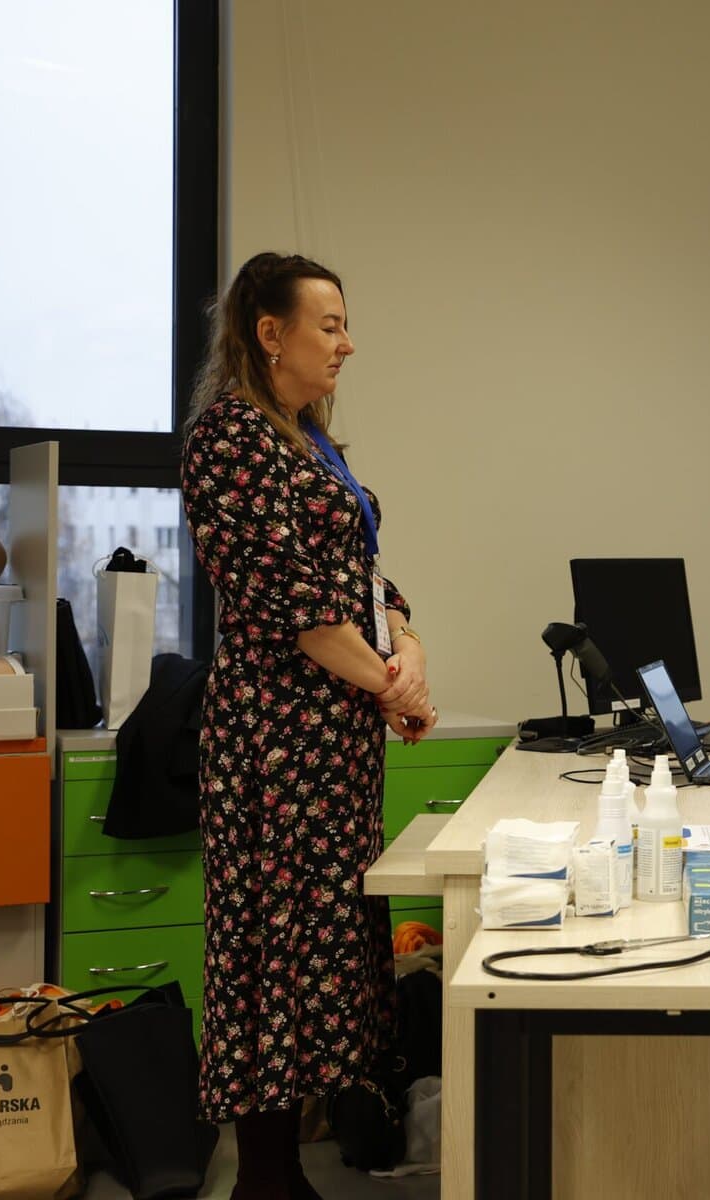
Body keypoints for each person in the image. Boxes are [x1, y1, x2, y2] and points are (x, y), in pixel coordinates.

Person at [181, 252, 438, 1198]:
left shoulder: (308, 441)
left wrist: (407, 644)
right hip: (275, 745)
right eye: (328, 325)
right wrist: (394, 688)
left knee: (326, 949)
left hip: (334, 741)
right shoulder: (230, 439)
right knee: (272, 949)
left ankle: (285, 1168)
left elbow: (361, 578)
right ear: (269, 333)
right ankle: (267, 1175)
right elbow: (296, 606)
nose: (346, 343)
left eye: (344, 325)